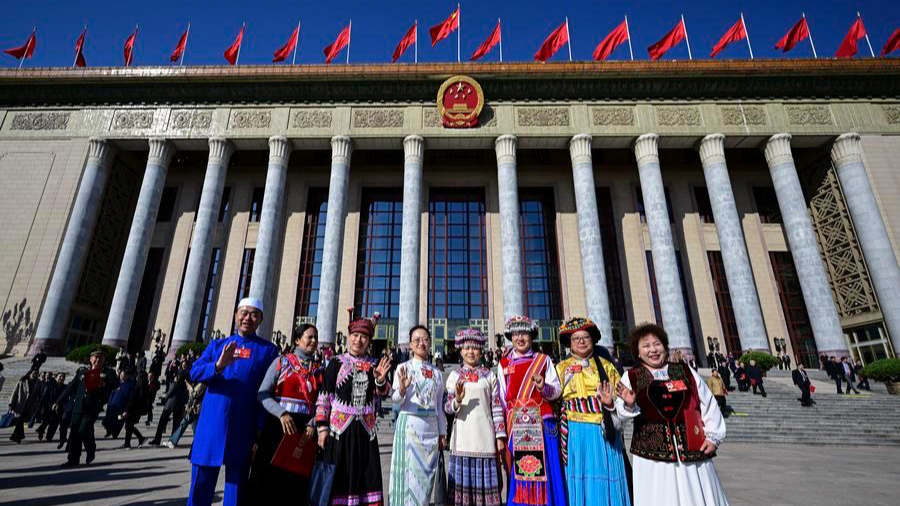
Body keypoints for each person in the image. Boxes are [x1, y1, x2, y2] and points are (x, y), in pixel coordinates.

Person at [616, 323, 729, 506]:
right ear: (637, 352)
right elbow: (619, 417)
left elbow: (708, 404)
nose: (653, 350)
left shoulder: (684, 371)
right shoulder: (632, 377)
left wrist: (713, 437)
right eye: (646, 346)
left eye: (657, 344)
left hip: (693, 453)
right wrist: (629, 405)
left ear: (665, 347)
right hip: (653, 458)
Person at [187, 297, 280, 506]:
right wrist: (218, 365)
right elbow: (194, 371)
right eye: (244, 313)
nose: (248, 318)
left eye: (254, 314)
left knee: (236, 490)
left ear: (260, 320)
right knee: (200, 484)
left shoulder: (269, 351)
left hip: (243, 426)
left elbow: (268, 392)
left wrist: (259, 430)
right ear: (236, 315)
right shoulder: (217, 345)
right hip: (212, 424)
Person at [315, 310, 392, 506]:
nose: (358, 340)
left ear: (369, 341)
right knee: (340, 475)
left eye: (364, 337)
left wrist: (381, 380)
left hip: (366, 431)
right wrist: (322, 427)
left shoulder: (375, 364)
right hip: (340, 431)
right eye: (355, 335)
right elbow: (325, 396)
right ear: (348, 337)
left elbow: (383, 393)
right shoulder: (336, 363)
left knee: (367, 476)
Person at [555, 317, 630, 506]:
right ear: (569, 343)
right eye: (576, 338)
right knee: (580, 478)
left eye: (585, 337)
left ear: (593, 339)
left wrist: (617, 404)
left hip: (603, 430)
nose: (581, 341)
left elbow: (622, 399)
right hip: (576, 432)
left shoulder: (606, 366)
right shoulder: (561, 368)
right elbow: (553, 398)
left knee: (607, 476)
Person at [247, 323, 324, 502]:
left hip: (305, 431)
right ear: (297, 340)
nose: (313, 341)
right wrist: (281, 413)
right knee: (269, 481)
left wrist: (313, 423)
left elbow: (322, 401)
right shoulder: (282, 361)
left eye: (315, 338)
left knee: (297, 484)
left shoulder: (319, 370)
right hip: (278, 427)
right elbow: (263, 393)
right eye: (309, 337)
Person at [497, 316, 566, 506]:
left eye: (525, 333)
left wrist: (544, 387)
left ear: (532, 336)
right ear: (511, 337)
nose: (520, 338)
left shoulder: (543, 361)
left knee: (546, 471)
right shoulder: (503, 364)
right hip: (516, 423)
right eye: (516, 334)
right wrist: (502, 431)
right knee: (519, 472)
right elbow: (502, 399)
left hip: (542, 423)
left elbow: (556, 391)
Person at [444, 328, 506, 506]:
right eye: (466, 348)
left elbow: (496, 407)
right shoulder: (454, 376)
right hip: (462, 439)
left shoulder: (489, 375)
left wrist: (500, 437)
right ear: (460, 350)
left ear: (481, 350)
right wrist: (457, 399)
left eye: (475, 348)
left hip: (485, 438)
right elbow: (447, 408)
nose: (470, 352)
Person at [389, 325, 447, 506]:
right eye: (417, 340)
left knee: (425, 483)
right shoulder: (402, 368)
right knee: (408, 480)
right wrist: (403, 389)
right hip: (409, 430)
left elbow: (439, 406)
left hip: (430, 432)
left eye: (425, 339)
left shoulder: (437, 373)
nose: (421, 343)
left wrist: (442, 433)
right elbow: (396, 400)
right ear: (411, 345)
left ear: (430, 344)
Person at [55, 350, 117, 467]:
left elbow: (115, 384)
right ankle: (73, 459)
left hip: (92, 407)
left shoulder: (109, 373)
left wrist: (104, 384)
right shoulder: (82, 371)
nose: (98, 360)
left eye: (101, 358)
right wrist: (58, 401)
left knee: (83, 429)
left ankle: (90, 448)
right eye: (96, 357)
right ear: (90, 359)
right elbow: (71, 387)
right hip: (78, 406)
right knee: (74, 433)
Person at [150, 362, 190, 445]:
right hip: (179, 405)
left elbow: (170, 392)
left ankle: (157, 439)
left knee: (162, 422)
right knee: (175, 424)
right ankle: (172, 440)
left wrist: (164, 397)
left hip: (170, 404)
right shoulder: (185, 387)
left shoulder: (176, 384)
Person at [120, 370, 149, 448]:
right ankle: (136, 440)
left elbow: (132, 400)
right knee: (129, 426)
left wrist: (126, 410)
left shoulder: (137, 387)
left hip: (133, 409)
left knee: (128, 426)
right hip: (138, 410)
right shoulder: (145, 387)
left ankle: (129, 443)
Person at [8, 370, 39, 443]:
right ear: (29, 374)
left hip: (29, 406)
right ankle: (17, 437)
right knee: (19, 421)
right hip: (20, 404)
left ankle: (17, 436)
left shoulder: (37, 383)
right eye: (34, 373)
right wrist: (11, 403)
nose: (35, 375)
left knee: (20, 421)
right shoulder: (22, 381)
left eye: (36, 374)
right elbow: (14, 393)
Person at [103, 369, 133, 438]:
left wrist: (126, 409)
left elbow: (130, 398)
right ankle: (108, 431)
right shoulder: (117, 383)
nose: (121, 376)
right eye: (121, 375)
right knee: (108, 419)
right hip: (113, 405)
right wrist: (109, 403)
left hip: (121, 407)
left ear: (127, 376)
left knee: (119, 421)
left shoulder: (130, 385)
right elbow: (112, 393)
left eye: (123, 375)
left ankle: (115, 433)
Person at [37, 372, 66, 441]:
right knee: (46, 422)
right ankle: (41, 430)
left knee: (54, 423)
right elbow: (44, 397)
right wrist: (40, 407)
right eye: (60, 376)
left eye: (63, 377)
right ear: (56, 377)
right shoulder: (50, 385)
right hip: (48, 407)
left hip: (58, 408)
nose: (61, 378)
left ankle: (49, 437)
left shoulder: (64, 387)